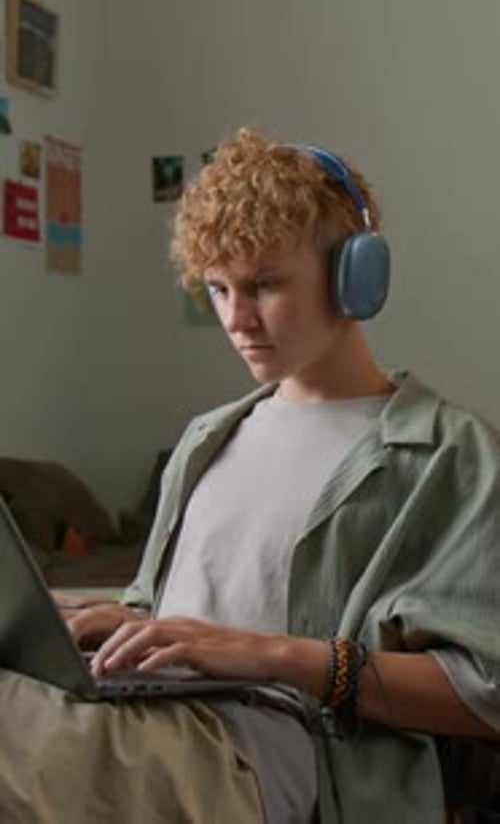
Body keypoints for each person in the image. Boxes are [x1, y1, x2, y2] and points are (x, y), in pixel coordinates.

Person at [3, 126, 500, 824]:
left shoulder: (453, 456)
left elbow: (488, 690)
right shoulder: (209, 438)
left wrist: (266, 654)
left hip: (278, 748)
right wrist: (120, 624)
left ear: (357, 278)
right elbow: (168, 614)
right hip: (157, 712)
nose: (237, 319)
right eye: (217, 288)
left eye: (265, 285)